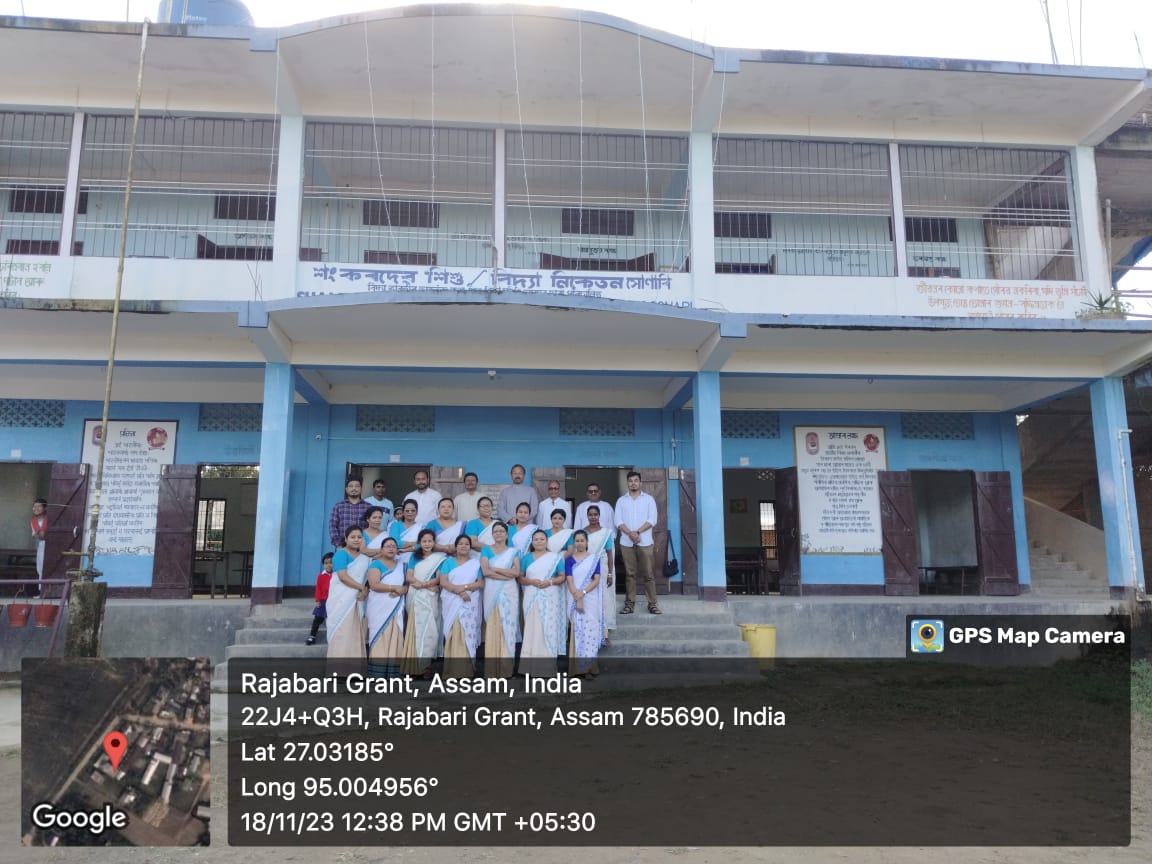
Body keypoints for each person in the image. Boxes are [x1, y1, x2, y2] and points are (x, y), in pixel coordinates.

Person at [518, 529, 565, 675]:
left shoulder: (555, 557)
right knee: (532, 629)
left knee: (548, 628)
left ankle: (547, 669)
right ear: (532, 542)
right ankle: (530, 669)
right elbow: (520, 578)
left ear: (547, 541)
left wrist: (550, 582)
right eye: (536, 539)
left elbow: (562, 576)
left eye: (542, 539)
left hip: (550, 596)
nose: (539, 542)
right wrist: (531, 581)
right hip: (531, 596)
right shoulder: (526, 558)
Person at [479, 521, 520, 678]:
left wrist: (495, 569)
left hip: (509, 592)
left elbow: (516, 572)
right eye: (495, 531)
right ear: (492, 534)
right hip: (492, 591)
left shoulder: (513, 551)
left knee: (508, 627)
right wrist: (505, 575)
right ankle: (492, 670)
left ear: (507, 534)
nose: (498, 534)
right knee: (493, 626)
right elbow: (485, 571)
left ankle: (506, 670)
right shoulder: (486, 550)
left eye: (501, 531)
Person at [615, 471, 660, 615]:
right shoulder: (621, 501)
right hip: (626, 543)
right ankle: (629, 604)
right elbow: (618, 521)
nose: (633, 483)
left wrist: (637, 532)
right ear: (627, 483)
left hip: (645, 542)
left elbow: (652, 520)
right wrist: (630, 533)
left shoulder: (649, 500)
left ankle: (652, 604)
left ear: (640, 482)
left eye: (636, 480)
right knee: (630, 575)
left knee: (648, 574)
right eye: (630, 481)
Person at [439, 535, 483, 678]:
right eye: (460, 544)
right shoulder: (448, 562)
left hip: (469, 602)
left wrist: (464, 588)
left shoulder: (475, 564)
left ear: (470, 547)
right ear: (456, 547)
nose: (463, 546)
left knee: (466, 633)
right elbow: (443, 582)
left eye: (466, 544)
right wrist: (459, 592)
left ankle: (466, 671)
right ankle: (452, 671)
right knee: (453, 632)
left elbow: (480, 583)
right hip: (451, 601)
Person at [401, 529, 443, 678]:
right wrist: (420, 585)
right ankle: (412, 668)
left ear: (434, 542)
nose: (427, 544)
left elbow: (438, 578)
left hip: (430, 596)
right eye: (424, 541)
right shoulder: (414, 556)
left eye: (430, 541)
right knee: (415, 630)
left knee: (430, 630)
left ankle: (426, 666)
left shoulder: (439, 559)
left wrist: (424, 585)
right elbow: (409, 576)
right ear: (419, 542)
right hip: (416, 595)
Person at [327, 526, 371, 661]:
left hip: (357, 599)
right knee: (341, 632)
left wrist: (365, 590)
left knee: (354, 632)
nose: (356, 540)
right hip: (341, 599)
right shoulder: (340, 554)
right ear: (346, 539)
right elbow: (343, 577)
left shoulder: (364, 558)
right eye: (353, 537)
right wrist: (361, 588)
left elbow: (366, 579)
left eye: (359, 537)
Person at [365, 537, 408, 677]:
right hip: (379, 606)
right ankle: (377, 674)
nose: (391, 548)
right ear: (381, 549)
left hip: (396, 606)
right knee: (380, 636)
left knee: (395, 636)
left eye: (394, 546)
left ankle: (393, 673)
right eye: (388, 546)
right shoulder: (375, 564)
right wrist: (394, 588)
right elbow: (374, 585)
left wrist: (402, 590)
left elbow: (406, 585)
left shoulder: (402, 565)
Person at [565, 530, 603, 677]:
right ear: (574, 543)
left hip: (590, 599)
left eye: (582, 540)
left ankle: (590, 668)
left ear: (587, 542)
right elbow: (569, 580)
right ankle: (577, 669)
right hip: (574, 597)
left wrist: (583, 593)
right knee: (578, 630)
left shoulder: (594, 559)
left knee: (590, 631)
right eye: (577, 541)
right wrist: (578, 597)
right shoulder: (569, 560)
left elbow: (596, 579)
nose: (580, 543)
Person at [583, 504, 616, 644]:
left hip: (602, 568)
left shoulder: (605, 533)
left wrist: (610, 573)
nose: (593, 517)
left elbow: (609, 554)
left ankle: (605, 633)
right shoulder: (582, 532)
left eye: (595, 514)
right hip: (586, 568)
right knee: (589, 600)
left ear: (599, 516)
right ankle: (589, 631)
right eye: (590, 515)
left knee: (604, 600)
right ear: (587, 516)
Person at [329, 478, 371, 549]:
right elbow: (332, 526)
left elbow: (372, 527)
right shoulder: (339, 506)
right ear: (346, 489)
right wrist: (338, 545)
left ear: (361, 489)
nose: (354, 488)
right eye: (351, 486)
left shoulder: (368, 507)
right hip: (343, 546)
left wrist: (367, 545)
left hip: (363, 548)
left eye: (357, 486)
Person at [306, 552, 333, 646]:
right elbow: (318, 588)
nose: (328, 565)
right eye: (326, 563)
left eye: (331, 562)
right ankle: (312, 636)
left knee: (332, 620)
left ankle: (333, 638)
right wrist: (317, 600)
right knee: (317, 619)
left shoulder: (337, 575)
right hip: (323, 601)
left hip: (334, 601)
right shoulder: (321, 576)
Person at [388, 500, 422, 569]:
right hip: (397, 559)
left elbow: (422, 545)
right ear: (403, 512)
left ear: (417, 512)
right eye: (407, 511)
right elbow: (395, 543)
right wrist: (413, 543)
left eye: (413, 511)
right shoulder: (395, 525)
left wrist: (405, 550)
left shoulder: (421, 527)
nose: (410, 513)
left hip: (416, 560)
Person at [30, 498, 47, 593]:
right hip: (41, 545)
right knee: (40, 568)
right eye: (34, 506)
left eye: (39, 506)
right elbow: (35, 535)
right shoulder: (33, 521)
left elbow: (42, 535)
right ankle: (41, 591)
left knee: (48, 567)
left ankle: (47, 591)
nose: (36, 508)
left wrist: (40, 534)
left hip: (50, 545)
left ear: (45, 508)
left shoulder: (48, 519)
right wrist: (41, 534)